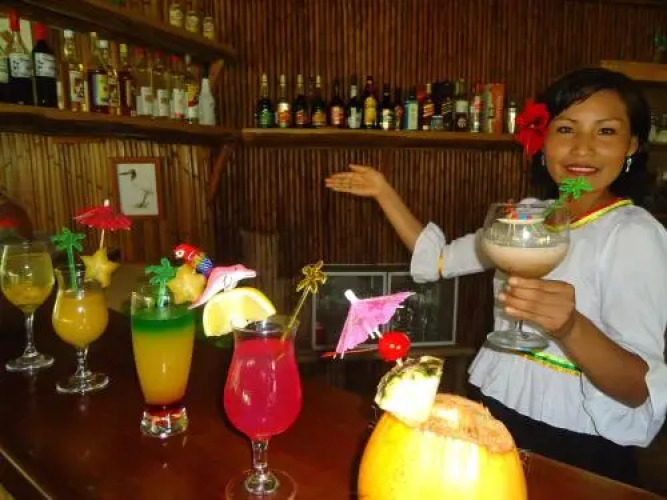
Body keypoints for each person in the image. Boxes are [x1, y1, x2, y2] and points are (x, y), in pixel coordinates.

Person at [325, 67, 667, 486]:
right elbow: (440, 262)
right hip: (498, 410)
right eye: (566, 128)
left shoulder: (633, 234)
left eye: (606, 131)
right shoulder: (526, 216)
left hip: (578, 439)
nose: (583, 147)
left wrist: (570, 327)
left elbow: (636, 388)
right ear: (542, 140)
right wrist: (383, 191)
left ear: (632, 145)